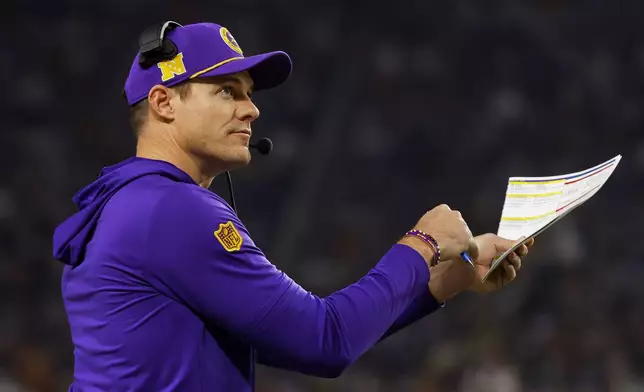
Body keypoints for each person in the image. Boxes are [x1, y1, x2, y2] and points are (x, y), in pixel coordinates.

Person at [52, 21, 533, 391]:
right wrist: (423, 242)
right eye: (226, 90)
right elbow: (325, 342)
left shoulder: (135, 201)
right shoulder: (172, 210)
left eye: (248, 93)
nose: (251, 109)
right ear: (163, 102)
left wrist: (448, 279)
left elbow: (288, 339)